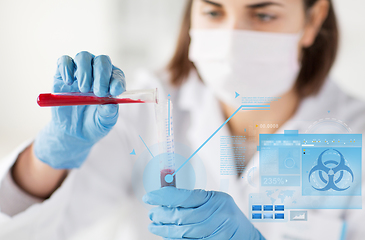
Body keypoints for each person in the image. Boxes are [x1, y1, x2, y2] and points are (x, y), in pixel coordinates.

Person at [0, 0, 364, 239]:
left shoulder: (355, 132)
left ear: (313, 19)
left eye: (263, 14)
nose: (231, 41)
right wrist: (49, 158)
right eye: (213, 12)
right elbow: (27, 231)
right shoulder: (142, 107)